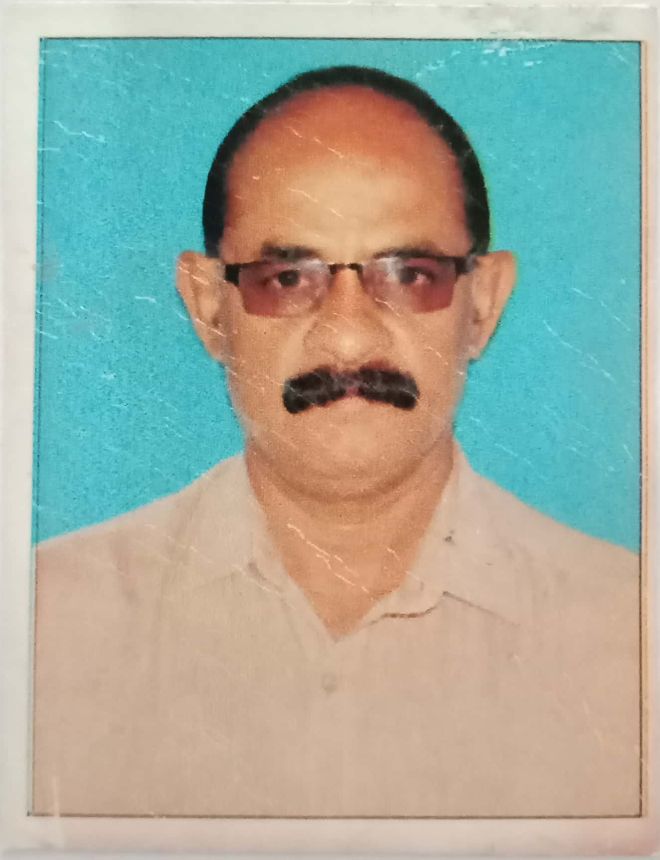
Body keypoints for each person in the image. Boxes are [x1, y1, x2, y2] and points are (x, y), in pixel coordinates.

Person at [33, 66, 640, 818]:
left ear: (482, 304)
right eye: (288, 277)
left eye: (410, 273)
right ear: (210, 307)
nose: (348, 337)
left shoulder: (627, 637)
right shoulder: (46, 627)